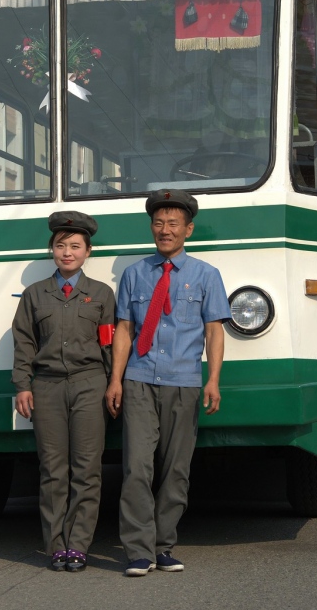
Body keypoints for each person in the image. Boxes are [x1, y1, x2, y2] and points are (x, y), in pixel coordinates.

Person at [105, 189, 230, 577]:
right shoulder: (134, 274)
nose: (165, 229)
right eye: (158, 223)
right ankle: (138, 551)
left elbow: (214, 332)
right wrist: (116, 380)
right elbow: (124, 330)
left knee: (176, 469)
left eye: (173, 223)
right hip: (140, 379)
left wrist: (213, 380)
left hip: (185, 381)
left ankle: (164, 545)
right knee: (137, 467)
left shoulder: (206, 275)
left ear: (188, 230)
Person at [11, 211, 116, 573]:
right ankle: (56, 545)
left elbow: (109, 345)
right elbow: (24, 342)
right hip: (47, 386)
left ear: (88, 251)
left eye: (75, 246)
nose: (67, 252)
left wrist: (114, 385)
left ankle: (79, 545)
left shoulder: (101, 294)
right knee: (53, 470)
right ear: (51, 250)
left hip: (90, 385)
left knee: (87, 469)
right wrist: (22, 385)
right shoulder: (34, 294)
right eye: (60, 246)